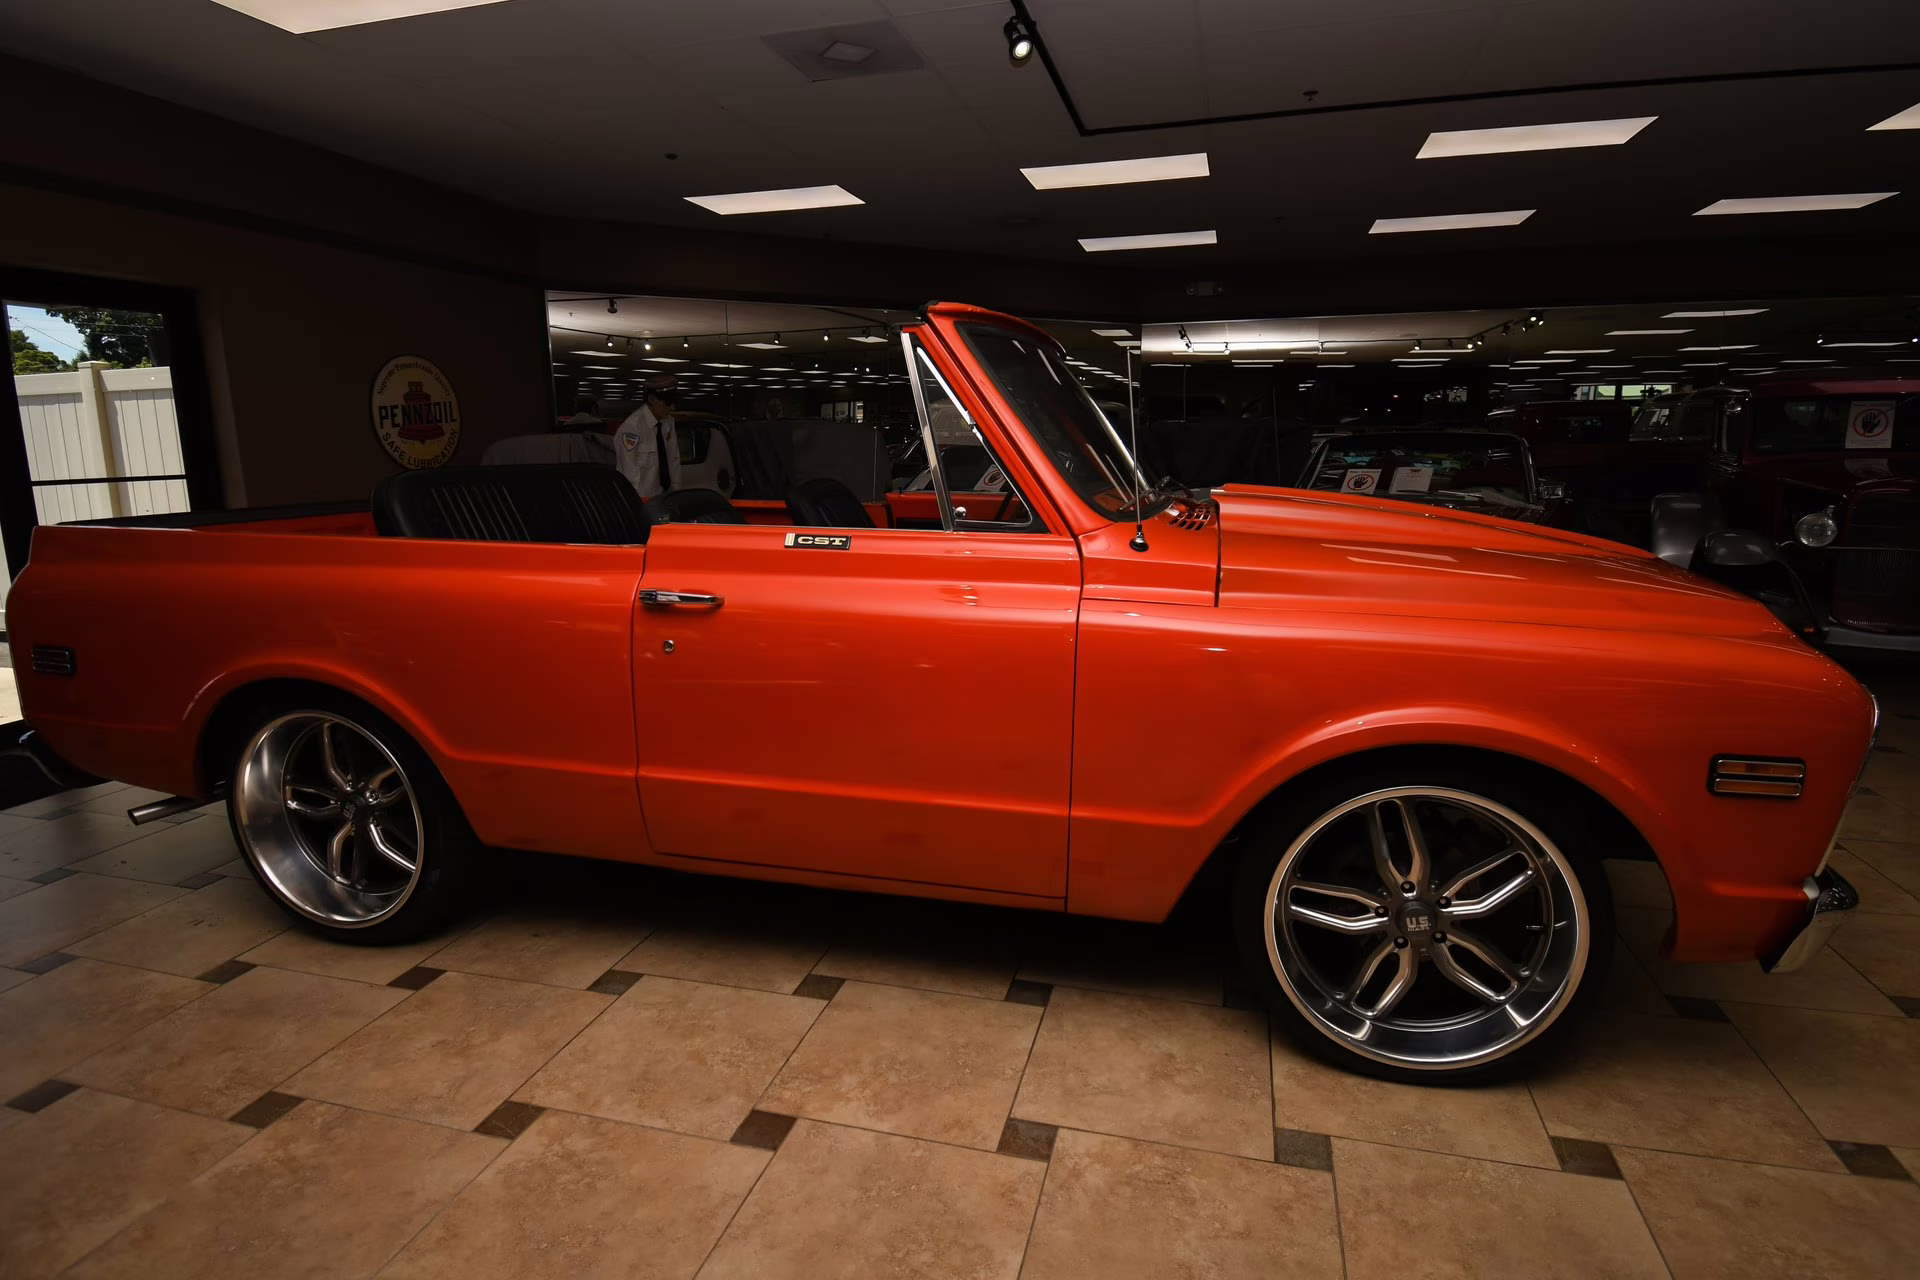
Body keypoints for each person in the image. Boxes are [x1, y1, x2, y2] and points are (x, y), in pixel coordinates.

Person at [611, 373, 678, 500]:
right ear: (652, 399)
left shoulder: (668, 422)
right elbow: (629, 475)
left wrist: (675, 493)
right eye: (668, 403)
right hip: (643, 500)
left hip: (666, 496)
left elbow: (673, 460)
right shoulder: (631, 428)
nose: (673, 408)